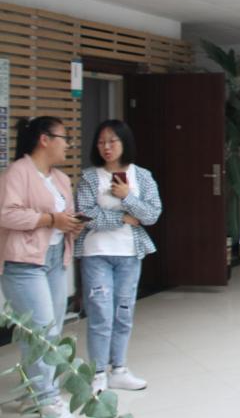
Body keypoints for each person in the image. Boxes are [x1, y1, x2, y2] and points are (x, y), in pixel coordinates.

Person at [0, 117, 82, 418]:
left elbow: (65, 215)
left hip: (55, 259)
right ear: (44, 140)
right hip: (24, 263)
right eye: (64, 138)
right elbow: (6, 214)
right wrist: (50, 220)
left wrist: (72, 223)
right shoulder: (17, 172)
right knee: (42, 331)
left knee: (51, 330)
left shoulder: (60, 178)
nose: (68, 145)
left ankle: (33, 392)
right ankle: (46, 398)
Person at [75, 120, 162, 394]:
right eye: (101, 142)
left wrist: (127, 197)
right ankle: (98, 372)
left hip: (129, 254)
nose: (106, 147)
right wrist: (123, 218)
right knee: (100, 314)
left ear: (125, 143)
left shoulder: (142, 176)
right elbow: (86, 215)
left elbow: (152, 214)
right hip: (96, 254)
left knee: (123, 313)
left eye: (112, 141)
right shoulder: (90, 177)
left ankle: (120, 370)